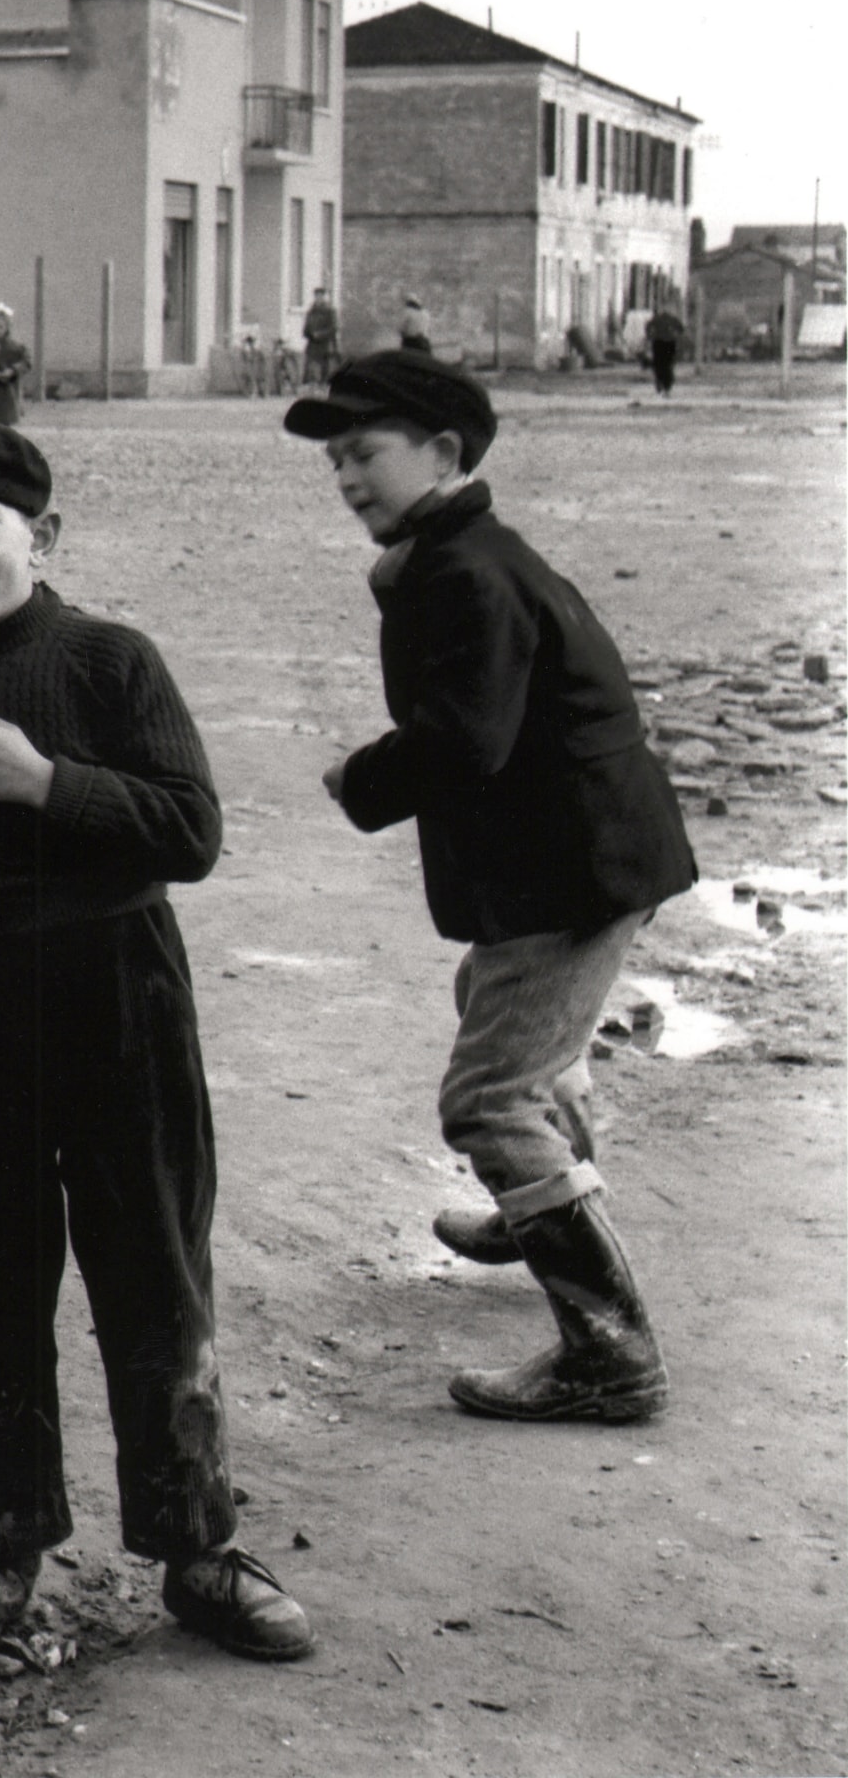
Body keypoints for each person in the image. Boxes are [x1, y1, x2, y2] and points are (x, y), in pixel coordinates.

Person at [0, 417, 315, 1680]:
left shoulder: (109, 662)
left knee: (155, 1277)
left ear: (40, 536)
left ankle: (197, 1547)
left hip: (120, 1000)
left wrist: (48, 784)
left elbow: (190, 832)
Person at [285, 352, 693, 1423]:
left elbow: (463, 741)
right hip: (580, 854)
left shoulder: (467, 572)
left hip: (577, 867)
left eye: (363, 454)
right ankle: (535, 1205)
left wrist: (361, 777)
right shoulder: (460, 553)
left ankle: (608, 1353)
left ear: (441, 452)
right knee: (506, 1023)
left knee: (487, 1096)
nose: (345, 478)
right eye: (333, 463)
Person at [301, 286, 341, 388]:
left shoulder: (329, 311)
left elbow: (334, 327)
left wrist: (320, 334)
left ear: (324, 297)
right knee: (311, 367)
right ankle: (312, 386)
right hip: (312, 344)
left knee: (325, 367)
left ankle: (324, 385)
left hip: (325, 344)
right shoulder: (311, 312)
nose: (318, 298)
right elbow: (306, 327)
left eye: (320, 296)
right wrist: (307, 333)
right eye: (316, 296)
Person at [645, 301, 687, 396]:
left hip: (658, 343)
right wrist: (676, 335)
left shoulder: (657, 319)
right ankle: (667, 386)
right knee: (668, 365)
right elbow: (681, 328)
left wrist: (649, 336)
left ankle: (659, 382)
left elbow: (648, 326)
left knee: (658, 365)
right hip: (669, 343)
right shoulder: (672, 319)